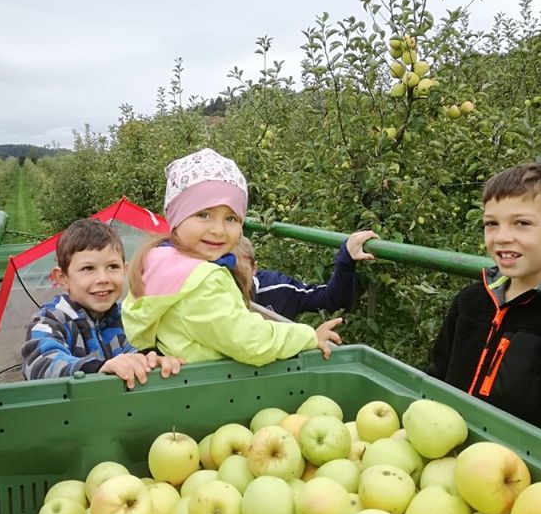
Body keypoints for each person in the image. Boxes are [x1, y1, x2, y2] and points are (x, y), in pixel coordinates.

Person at [429, 163, 541, 458]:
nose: (501, 237)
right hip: (447, 465)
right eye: (491, 224)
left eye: (521, 223)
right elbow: (438, 379)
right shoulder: (471, 303)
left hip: (529, 484)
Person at [122, 148, 344, 366]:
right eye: (203, 214)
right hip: (209, 389)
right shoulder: (200, 281)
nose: (218, 230)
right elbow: (249, 341)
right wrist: (309, 337)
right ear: (177, 217)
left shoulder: (160, 260)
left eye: (231, 218)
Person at [21, 218, 183, 388]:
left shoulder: (129, 317)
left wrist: (152, 359)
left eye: (113, 267)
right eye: (88, 269)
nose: (103, 279)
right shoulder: (48, 321)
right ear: (63, 278)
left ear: (125, 270)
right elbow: (41, 363)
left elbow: (138, 351)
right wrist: (98, 368)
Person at [233, 232, 378, 321]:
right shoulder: (211, 296)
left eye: (239, 271)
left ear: (254, 268)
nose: (233, 279)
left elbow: (332, 300)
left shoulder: (277, 288)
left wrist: (346, 259)